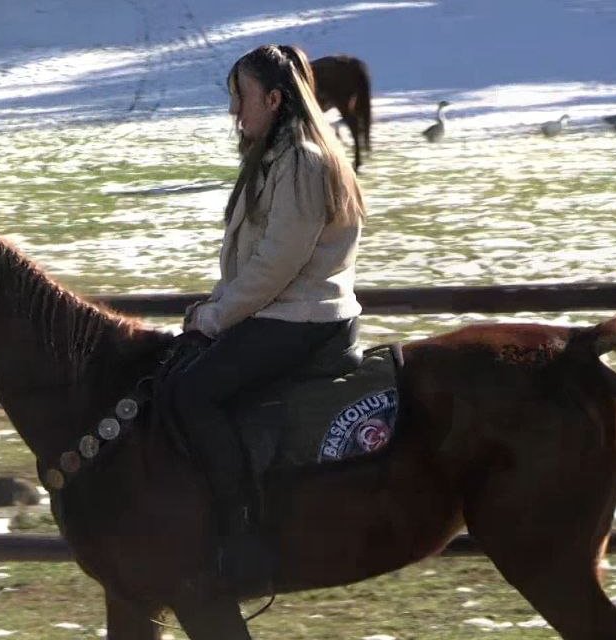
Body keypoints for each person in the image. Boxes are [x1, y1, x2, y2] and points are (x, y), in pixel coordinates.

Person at [166, 44, 366, 588]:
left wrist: (217, 318)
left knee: (192, 394)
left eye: (242, 97)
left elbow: (278, 263)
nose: (235, 110)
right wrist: (216, 305)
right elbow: (252, 260)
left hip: (303, 319)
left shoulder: (300, 162)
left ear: (274, 100)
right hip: (288, 311)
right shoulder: (280, 157)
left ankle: (242, 533)